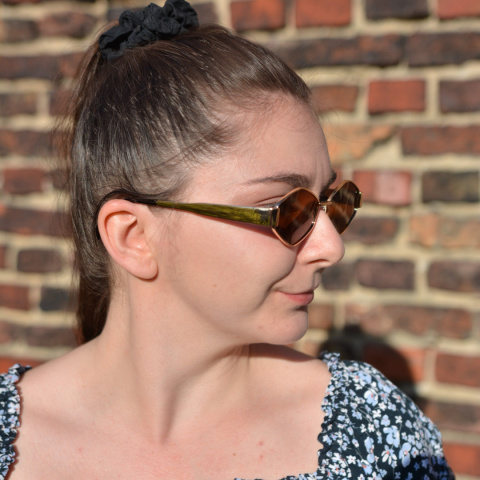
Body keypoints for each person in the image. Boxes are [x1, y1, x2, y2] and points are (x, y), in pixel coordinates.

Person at [0, 1, 454, 479]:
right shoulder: (13, 438)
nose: (331, 247)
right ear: (133, 237)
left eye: (330, 202)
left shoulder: (374, 437)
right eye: (287, 210)